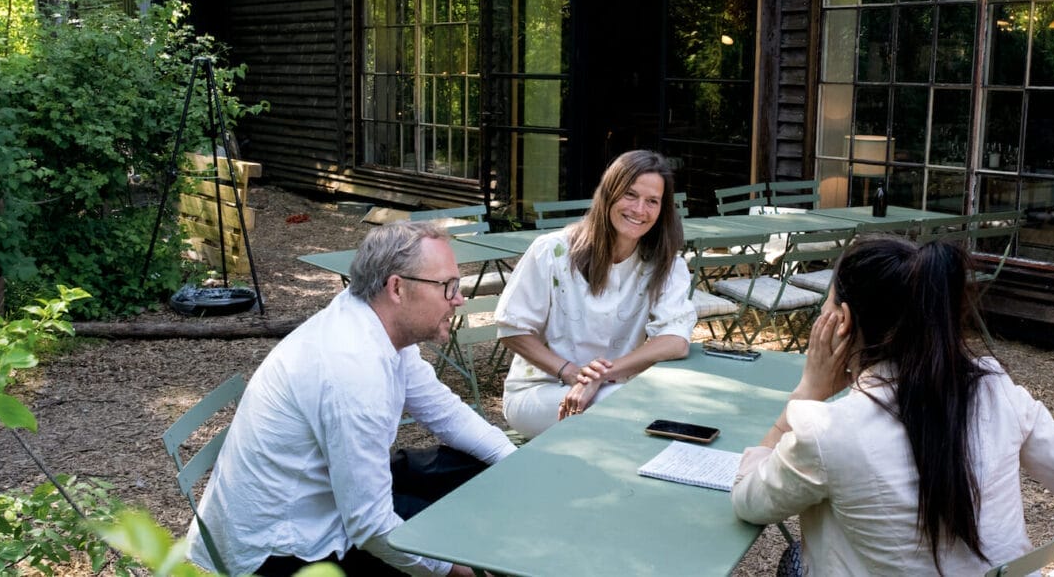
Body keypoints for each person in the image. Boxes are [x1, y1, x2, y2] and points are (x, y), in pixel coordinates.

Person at [731, 235, 1054, 575]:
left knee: (794, 562)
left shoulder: (827, 430)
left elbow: (749, 500)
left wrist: (805, 394)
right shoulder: (995, 390)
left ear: (842, 322)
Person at [187, 221, 516, 576]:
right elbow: (370, 526)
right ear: (397, 288)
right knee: (440, 540)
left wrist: (516, 464)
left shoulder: (374, 322)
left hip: (325, 501)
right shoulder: (354, 368)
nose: (458, 298)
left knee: (474, 469)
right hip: (285, 549)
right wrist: (449, 570)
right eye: (448, 286)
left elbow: (445, 411)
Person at [496, 150, 697, 439]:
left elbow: (676, 341)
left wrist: (602, 374)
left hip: (614, 388)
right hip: (540, 391)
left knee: (659, 407)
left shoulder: (665, 264)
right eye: (630, 195)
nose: (640, 209)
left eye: (652, 201)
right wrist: (570, 372)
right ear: (608, 194)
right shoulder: (552, 251)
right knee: (635, 414)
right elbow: (511, 329)